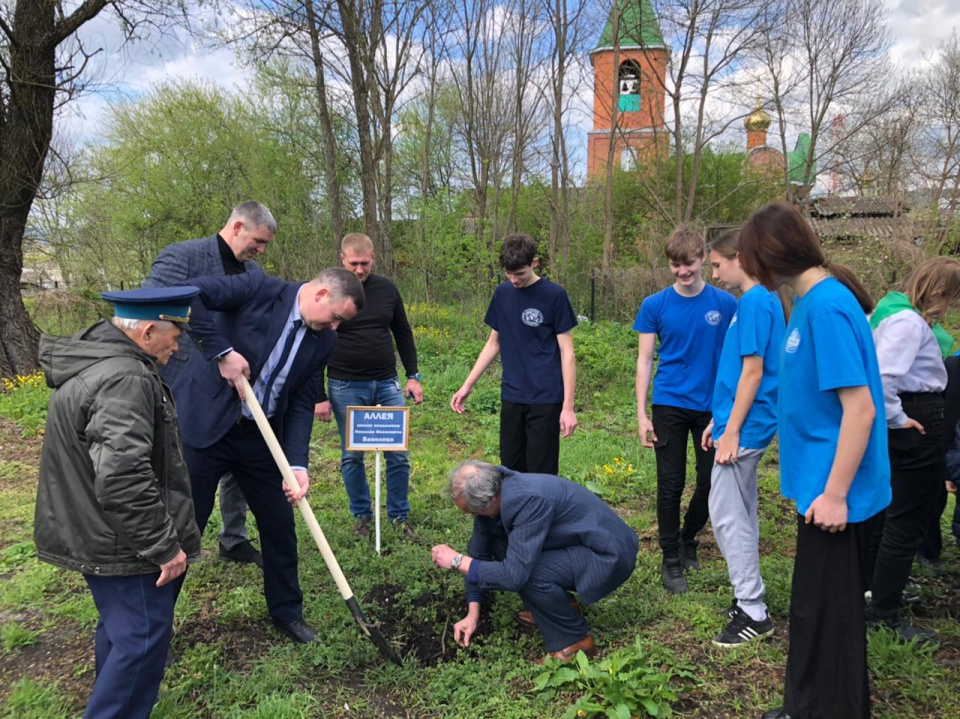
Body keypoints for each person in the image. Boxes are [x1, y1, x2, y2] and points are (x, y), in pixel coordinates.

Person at [737, 203, 891, 719]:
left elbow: (861, 408)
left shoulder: (826, 307)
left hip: (837, 496)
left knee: (830, 618)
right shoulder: (806, 301)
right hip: (819, 490)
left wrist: (836, 494)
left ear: (769, 255)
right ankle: (803, 706)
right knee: (812, 610)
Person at [34, 287, 203, 719]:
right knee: (142, 639)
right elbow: (124, 476)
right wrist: (164, 546)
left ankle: (118, 695)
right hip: (121, 540)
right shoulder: (126, 378)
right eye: (176, 335)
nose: (178, 345)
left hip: (94, 526)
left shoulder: (98, 361)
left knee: (122, 629)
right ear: (148, 331)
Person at [170, 268, 364, 643]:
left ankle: (287, 612)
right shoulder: (258, 289)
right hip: (205, 429)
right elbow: (187, 295)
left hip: (260, 437)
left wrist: (297, 463)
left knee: (279, 526)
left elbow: (303, 402)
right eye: (336, 317)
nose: (335, 327)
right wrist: (221, 352)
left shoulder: (324, 342)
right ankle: (156, 629)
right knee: (184, 526)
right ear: (321, 294)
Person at [143, 201, 277, 569]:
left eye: (265, 246)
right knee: (187, 472)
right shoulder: (182, 256)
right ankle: (173, 550)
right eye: (258, 241)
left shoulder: (253, 271)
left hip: (235, 389)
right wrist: (219, 352)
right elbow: (150, 309)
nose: (261, 250)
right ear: (236, 227)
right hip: (185, 384)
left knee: (239, 468)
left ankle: (233, 539)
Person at [430, 460, 639, 662]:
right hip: (577, 542)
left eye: (471, 511)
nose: (472, 516)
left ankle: (575, 642)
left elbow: (514, 575)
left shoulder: (527, 500)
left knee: (528, 573)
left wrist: (457, 560)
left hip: (607, 554)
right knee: (501, 547)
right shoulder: (495, 495)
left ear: (489, 500)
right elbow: (479, 554)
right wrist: (472, 613)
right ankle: (561, 606)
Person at [634, 228, 737, 593]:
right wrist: (642, 414)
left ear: (703, 259)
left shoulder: (726, 305)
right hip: (669, 404)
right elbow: (645, 360)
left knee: (712, 483)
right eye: (675, 265)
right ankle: (671, 559)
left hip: (713, 408)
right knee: (670, 484)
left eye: (689, 264)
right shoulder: (655, 305)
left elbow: (740, 358)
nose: (682, 271)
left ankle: (689, 536)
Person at [865, 257, 960, 645]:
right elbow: (883, 377)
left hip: (912, 415)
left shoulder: (895, 314)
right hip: (915, 418)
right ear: (938, 291)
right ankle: (885, 612)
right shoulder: (907, 322)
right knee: (906, 520)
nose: (949, 306)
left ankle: (879, 590)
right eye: (951, 297)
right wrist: (899, 418)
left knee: (893, 513)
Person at [701, 230, 785, 647]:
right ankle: (748, 599)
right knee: (742, 510)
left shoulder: (754, 302)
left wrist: (731, 430)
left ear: (740, 258)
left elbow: (754, 371)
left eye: (717, 264)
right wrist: (719, 420)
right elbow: (740, 373)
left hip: (746, 428)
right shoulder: (760, 300)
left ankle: (753, 609)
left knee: (728, 515)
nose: (714, 274)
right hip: (739, 421)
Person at [313, 233, 422, 539]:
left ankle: (399, 516)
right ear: (342, 259)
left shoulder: (387, 289)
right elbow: (316, 340)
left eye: (364, 263)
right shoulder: (330, 291)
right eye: (353, 264)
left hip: (387, 382)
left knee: (397, 453)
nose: (359, 270)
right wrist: (318, 395)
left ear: (374, 258)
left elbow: (402, 332)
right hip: (345, 384)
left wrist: (412, 376)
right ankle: (362, 516)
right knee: (352, 455)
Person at [450, 234, 578, 476]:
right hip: (512, 395)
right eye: (508, 273)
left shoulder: (554, 295)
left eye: (519, 273)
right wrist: (467, 385)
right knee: (509, 470)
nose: (513, 279)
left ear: (535, 263)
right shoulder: (502, 294)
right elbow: (492, 343)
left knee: (541, 473)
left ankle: (541, 514)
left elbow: (567, 353)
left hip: (545, 398)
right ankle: (514, 514)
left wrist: (568, 407)